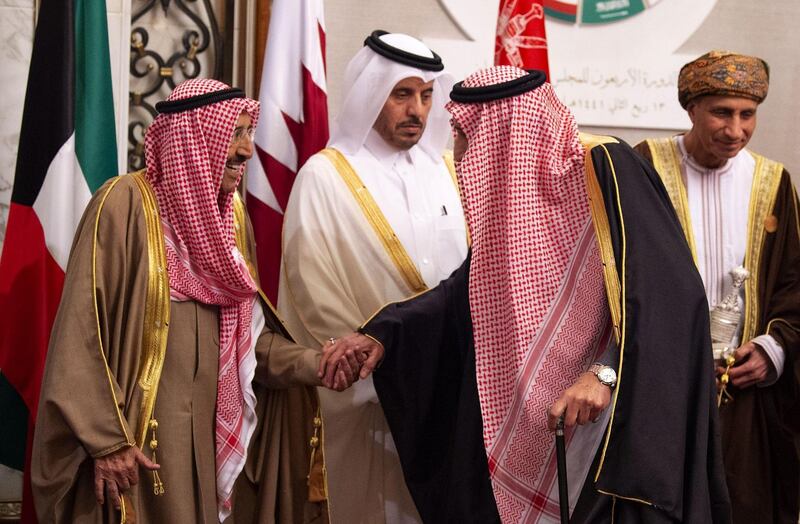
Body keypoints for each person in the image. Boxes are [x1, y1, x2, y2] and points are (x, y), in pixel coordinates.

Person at [320, 66, 732, 523]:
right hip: (528, 422)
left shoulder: (605, 167)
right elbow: (471, 290)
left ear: (507, 131)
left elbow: (671, 298)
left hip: (611, 432)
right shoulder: (512, 202)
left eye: (463, 133)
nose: (457, 151)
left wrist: (606, 373)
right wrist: (383, 333)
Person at [30, 79, 358, 524]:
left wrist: (314, 363)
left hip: (209, 448)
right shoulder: (123, 207)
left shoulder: (230, 220)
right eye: (234, 134)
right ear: (194, 140)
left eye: (248, 134)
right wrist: (106, 440)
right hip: (136, 451)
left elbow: (247, 342)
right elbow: (81, 334)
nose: (245, 150)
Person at [278, 30, 469, 523]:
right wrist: (373, 360)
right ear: (369, 93)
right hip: (369, 393)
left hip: (446, 387)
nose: (418, 111)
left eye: (427, 96)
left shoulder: (446, 171)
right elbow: (313, 288)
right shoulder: (326, 175)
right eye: (401, 93)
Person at [634, 50, 800, 524]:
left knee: (742, 505)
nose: (736, 130)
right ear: (690, 109)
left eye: (747, 115)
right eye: (721, 113)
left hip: (745, 394)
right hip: (661, 386)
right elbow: (618, 275)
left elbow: (794, 282)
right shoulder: (646, 165)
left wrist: (774, 349)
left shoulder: (772, 181)